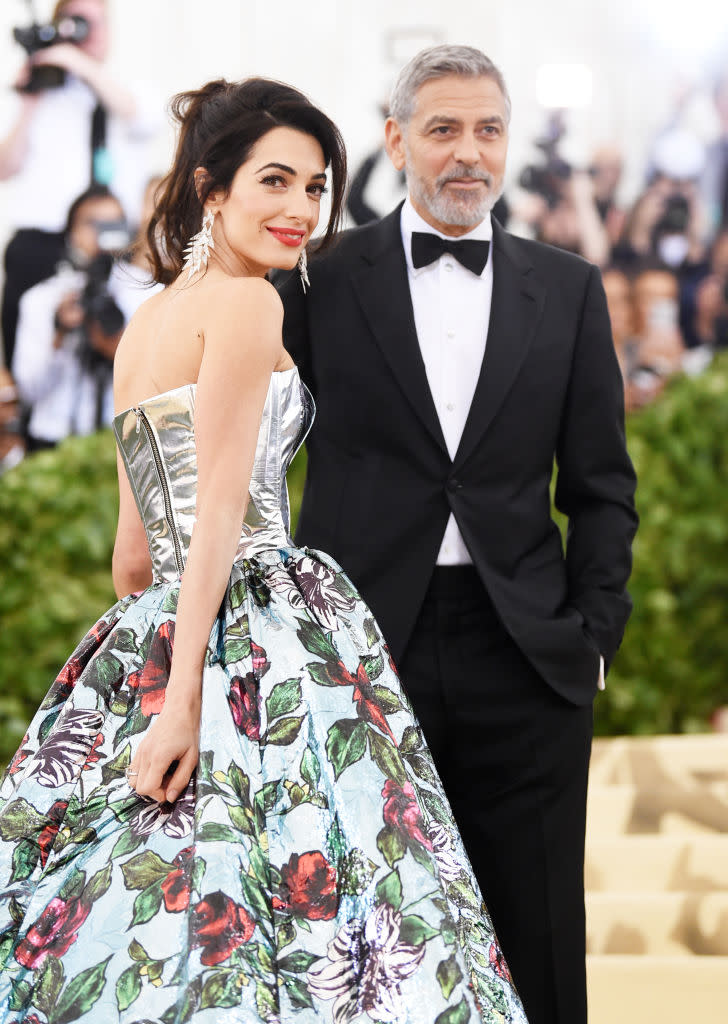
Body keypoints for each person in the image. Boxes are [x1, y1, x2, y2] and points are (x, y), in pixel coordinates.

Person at [0, 77, 526, 1024]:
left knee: (158, 916)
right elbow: (224, 515)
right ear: (212, 189)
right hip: (260, 633)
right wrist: (187, 698)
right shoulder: (247, 308)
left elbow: (133, 556)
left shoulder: (149, 322)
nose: (301, 210)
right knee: (341, 914)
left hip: (151, 626)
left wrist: (151, 672)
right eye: (275, 182)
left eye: (317, 187)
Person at [278, 44, 638, 1024]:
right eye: (441, 128)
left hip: (524, 650)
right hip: (362, 654)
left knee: (541, 948)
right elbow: (254, 451)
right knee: (366, 949)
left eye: (486, 128)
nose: (467, 152)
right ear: (394, 141)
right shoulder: (315, 278)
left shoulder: (565, 289)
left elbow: (601, 487)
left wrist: (591, 635)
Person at [0, 0, 160, 368]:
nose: (88, 32)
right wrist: (29, 100)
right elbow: (5, 166)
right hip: (42, 241)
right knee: (34, 346)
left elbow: (141, 118)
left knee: (115, 348)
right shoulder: (39, 97)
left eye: (96, 23)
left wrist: (80, 65)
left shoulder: (128, 90)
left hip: (111, 241)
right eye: (78, 22)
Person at [11, 184, 158, 451]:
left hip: (121, 443)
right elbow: (29, 391)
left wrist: (115, 345)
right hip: (52, 442)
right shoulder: (41, 299)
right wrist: (59, 333)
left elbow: (161, 384)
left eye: (115, 223)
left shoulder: (148, 293)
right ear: (71, 232)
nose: (104, 234)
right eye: (94, 223)